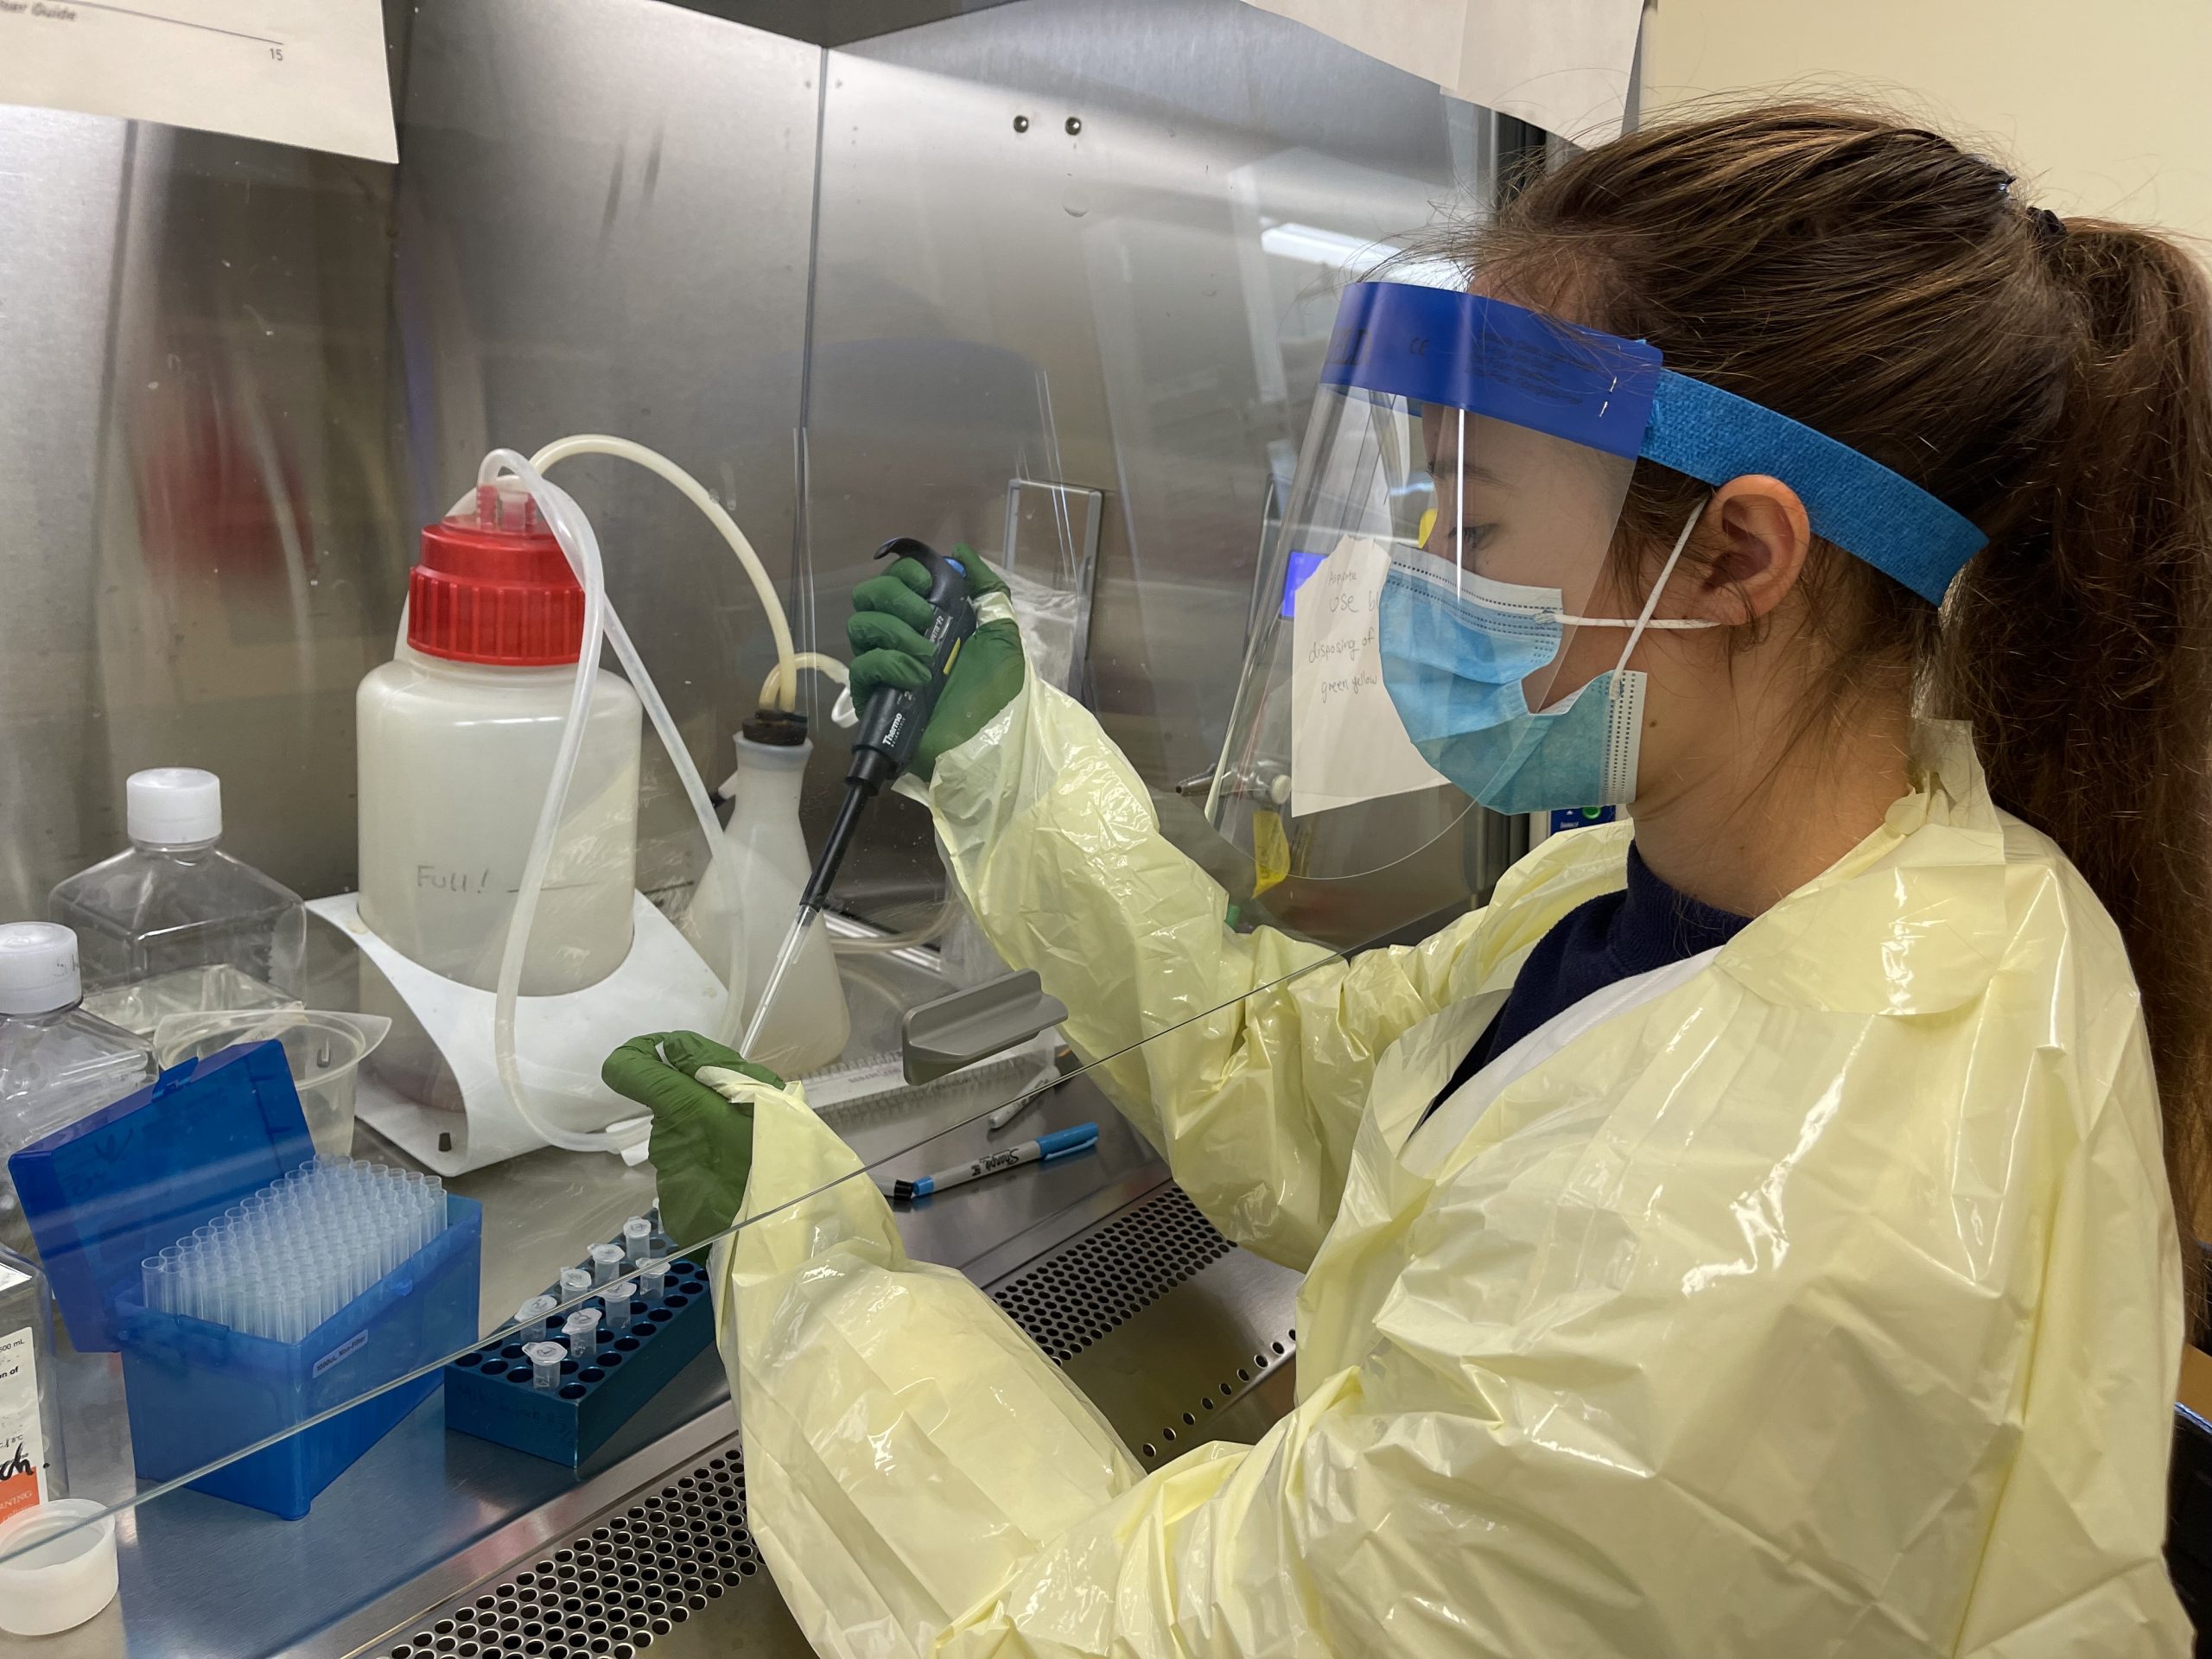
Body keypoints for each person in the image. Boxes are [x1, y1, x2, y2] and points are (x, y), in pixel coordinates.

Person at [604, 104, 2212, 1656]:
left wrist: (809, 1280)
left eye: (1478, 517)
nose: (1413, 573)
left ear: (1735, 556)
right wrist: (1014, 762)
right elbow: (1309, 1088)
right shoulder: (1726, 896)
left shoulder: (1749, 1219)